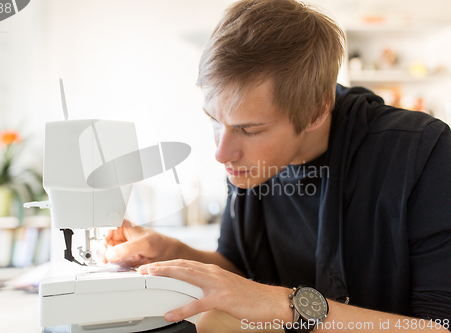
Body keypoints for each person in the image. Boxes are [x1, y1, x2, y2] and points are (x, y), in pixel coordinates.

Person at [102, 0, 451, 331]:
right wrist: (173, 253)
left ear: (315, 111)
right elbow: (238, 266)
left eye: (249, 129)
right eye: (214, 120)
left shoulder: (421, 153)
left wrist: (277, 304)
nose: (222, 153)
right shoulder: (249, 163)